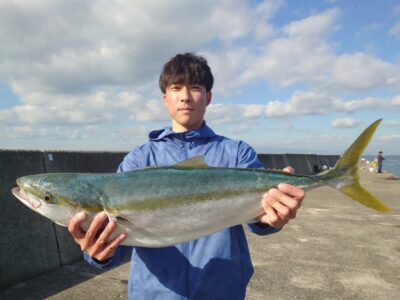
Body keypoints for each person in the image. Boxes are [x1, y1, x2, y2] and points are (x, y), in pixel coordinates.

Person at [68, 53, 305, 299]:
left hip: (222, 290)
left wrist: (272, 216)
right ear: (165, 98)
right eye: (176, 88)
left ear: (208, 97)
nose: (185, 96)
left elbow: (259, 219)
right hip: (154, 293)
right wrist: (98, 253)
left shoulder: (236, 153)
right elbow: (118, 235)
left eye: (195, 88)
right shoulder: (139, 160)